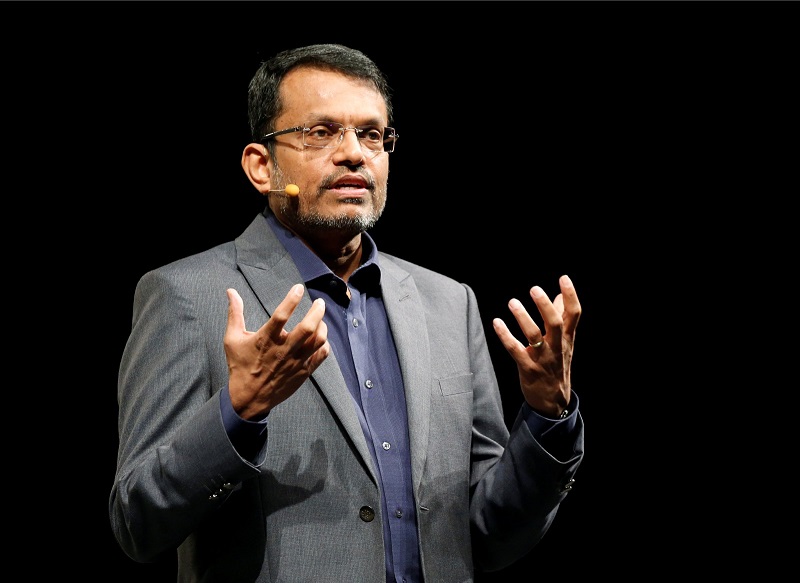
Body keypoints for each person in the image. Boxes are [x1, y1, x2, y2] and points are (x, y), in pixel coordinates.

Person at [109, 43, 584, 583]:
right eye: (320, 132)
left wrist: (547, 419)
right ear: (261, 166)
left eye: (372, 134)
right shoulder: (188, 296)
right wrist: (238, 413)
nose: (354, 153)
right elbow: (137, 522)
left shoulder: (449, 303)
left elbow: (490, 535)